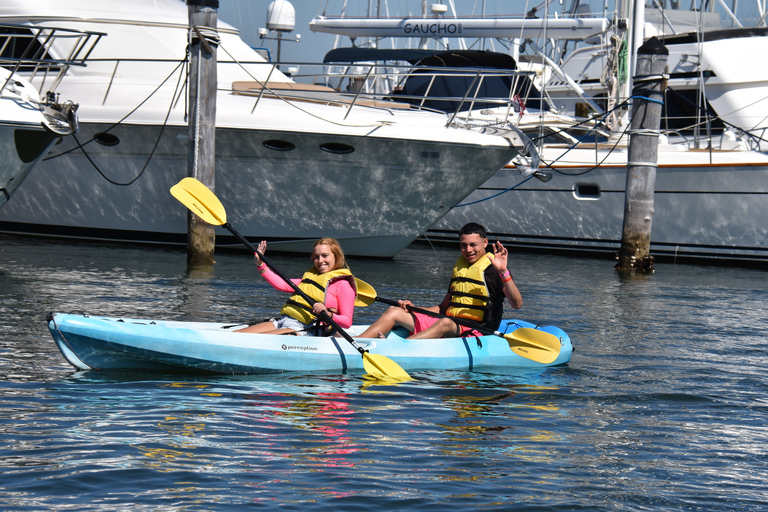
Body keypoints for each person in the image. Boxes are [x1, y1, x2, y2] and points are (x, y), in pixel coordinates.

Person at [357, 222, 522, 340]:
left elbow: (517, 304)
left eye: (473, 245)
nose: (468, 250)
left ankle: (401, 348)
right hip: (450, 322)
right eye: (464, 245)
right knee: (394, 311)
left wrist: (504, 272)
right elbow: (443, 307)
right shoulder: (461, 268)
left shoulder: (494, 270)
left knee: (445, 323)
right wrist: (414, 308)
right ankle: (355, 342)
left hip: (477, 330)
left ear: (485, 242)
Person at [235, 237, 356, 336]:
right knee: (236, 335)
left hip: (306, 329)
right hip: (283, 321)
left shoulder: (343, 285)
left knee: (256, 339)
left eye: (325, 255)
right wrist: (260, 265)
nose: (320, 260)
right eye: (316, 257)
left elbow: (347, 322)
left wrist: (328, 314)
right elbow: (281, 284)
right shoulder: (310, 279)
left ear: (336, 256)